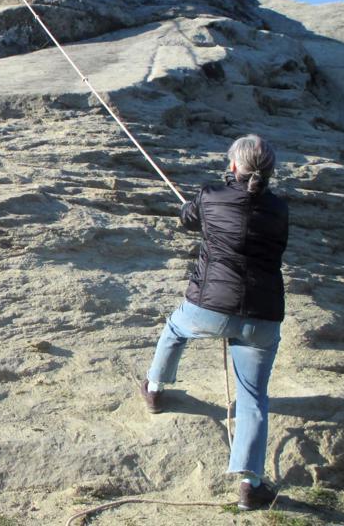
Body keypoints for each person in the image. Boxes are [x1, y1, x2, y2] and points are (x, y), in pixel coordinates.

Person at [139, 134, 289, 511]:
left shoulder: (210, 195)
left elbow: (187, 220)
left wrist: (201, 209)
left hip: (209, 305)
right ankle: (250, 484)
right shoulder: (279, 209)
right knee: (253, 397)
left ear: (234, 166)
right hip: (262, 314)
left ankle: (154, 389)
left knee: (175, 329)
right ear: (269, 171)